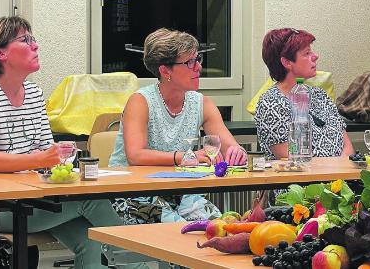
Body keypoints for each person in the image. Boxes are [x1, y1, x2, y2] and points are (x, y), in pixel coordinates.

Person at [0, 16, 124, 269]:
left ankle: (133, 256)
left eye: (33, 39)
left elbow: (48, 154)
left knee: (90, 241)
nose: (35, 46)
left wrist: (59, 158)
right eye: (25, 40)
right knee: (89, 200)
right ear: (0, 53)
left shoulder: (33, 93)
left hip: (32, 196)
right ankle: (139, 260)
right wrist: (41, 159)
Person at [108, 28, 246, 224]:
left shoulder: (201, 103)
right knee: (179, 232)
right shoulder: (140, 101)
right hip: (133, 192)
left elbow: (228, 145)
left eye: (198, 59)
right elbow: (136, 155)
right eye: (189, 62)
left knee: (221, 226)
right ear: (165, 70)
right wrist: (187, 157)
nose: (198, 67)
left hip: (178, 192)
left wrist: (236, 152)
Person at [255, 28, 355, 160]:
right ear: (287, 62)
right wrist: (333, 169)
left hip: (340, 177)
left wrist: (339, 173)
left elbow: (348, 148)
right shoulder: (271, 104)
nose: (315, 56)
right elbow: (291, 159)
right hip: (299, 179)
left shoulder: (320, 95)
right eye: (307, 53)